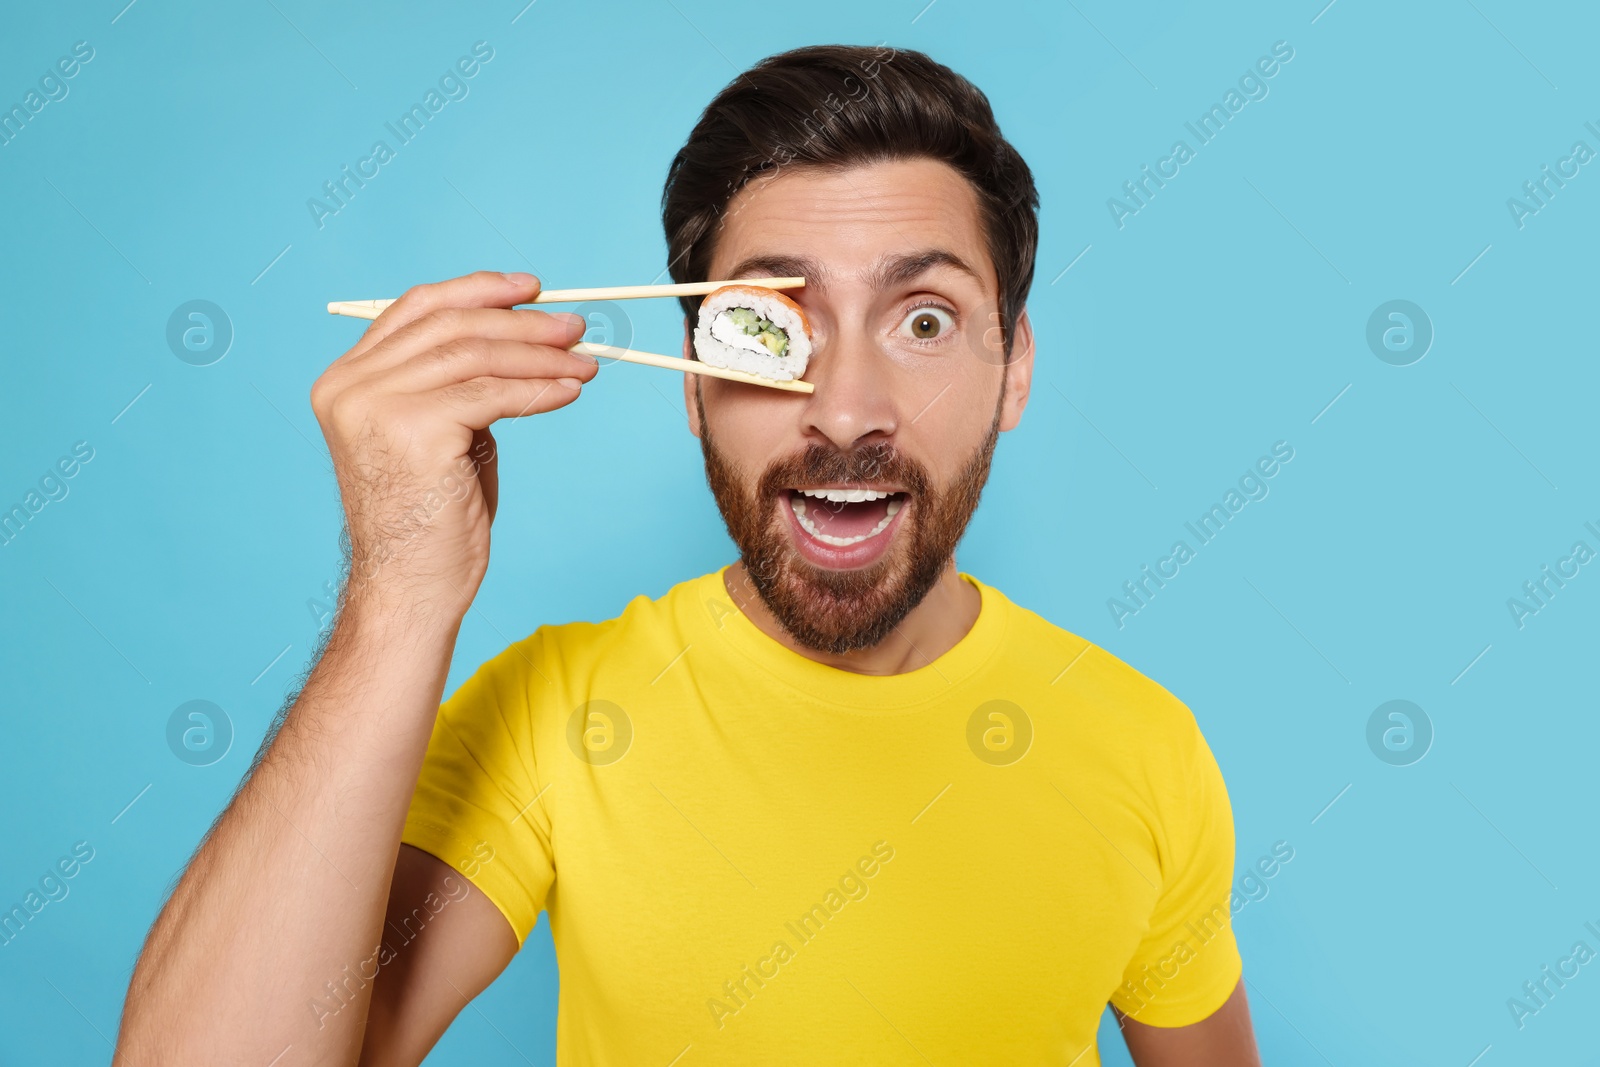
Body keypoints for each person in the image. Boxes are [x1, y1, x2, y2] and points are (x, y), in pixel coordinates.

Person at [118, 44, 1261, 1066]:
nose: (845, 408)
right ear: (695, 377)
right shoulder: (556, 712)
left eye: (923, 319)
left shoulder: (1141, 745)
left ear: (1012, 367)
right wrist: (398, 591)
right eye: (769, 322)